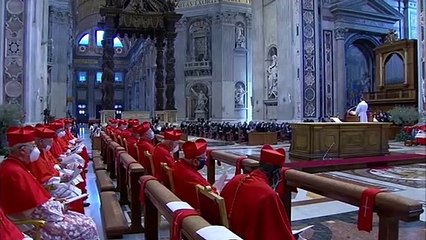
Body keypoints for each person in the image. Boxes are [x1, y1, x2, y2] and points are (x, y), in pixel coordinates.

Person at [0, 126, 99, 239]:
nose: (35, 149)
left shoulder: (14, 165)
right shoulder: (14, 172)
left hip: (42, 215)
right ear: (22, 150)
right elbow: (30, 208)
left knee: (86, 219)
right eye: (32, 146)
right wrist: (60, 206)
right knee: (87, 226)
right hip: (34, 225)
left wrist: (56, 202)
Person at [220, 145, 294, 240]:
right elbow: (278, 234)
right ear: (274, 173)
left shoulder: (237, 179)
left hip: (227, 234)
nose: (279, 178)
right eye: (279, 174)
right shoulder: (268, 195)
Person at [172, 139, 216, 209]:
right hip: (195, 209)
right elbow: (213, 196)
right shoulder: (191, 176)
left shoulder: (178, 165)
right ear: (195, 161)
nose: (205, 159)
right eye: (204, 158)